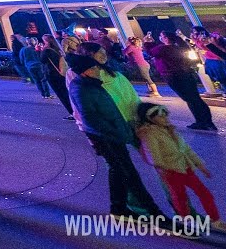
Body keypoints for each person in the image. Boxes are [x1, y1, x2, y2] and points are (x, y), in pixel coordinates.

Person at [66, 53, 162, 217]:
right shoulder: (83, 89)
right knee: (127, 173)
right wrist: (116, 133)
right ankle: (151, 211)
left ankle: (118, 208)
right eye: (94, 68)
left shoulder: (90, 84)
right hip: (106, 138)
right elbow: (90, 119)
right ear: (85, 71)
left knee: (120, 171)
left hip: (110, 135)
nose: (98, 70)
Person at [135, 102, 222, 230]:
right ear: (150, 119)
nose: (165, 118)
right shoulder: (149, 134)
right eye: (161, 116)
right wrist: (164, 168)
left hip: (186, 168)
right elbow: (153, 156)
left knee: (204, 193)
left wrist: (200, 165)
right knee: (180, 197)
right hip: (171, 171)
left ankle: (215, 220)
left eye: (166, 115)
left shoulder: (170, 129)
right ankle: (185, 220)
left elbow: (186, 149)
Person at [147, 31, 217, 131]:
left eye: (161, 36)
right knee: (195, 98)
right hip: (187, 74)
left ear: (166, 38)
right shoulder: (180, 47)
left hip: (174, 76)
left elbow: (151, 52)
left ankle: (202, 122)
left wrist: (148, 42)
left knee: (190, 99)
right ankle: (206, 121)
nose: (160, 38)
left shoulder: (164, 49)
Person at [40, 35, 73, 119]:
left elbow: (42, 60)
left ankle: (72, 112)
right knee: (66, 92)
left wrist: (41, 50)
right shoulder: (57, 49)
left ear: (46, 41)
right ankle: (75, 110)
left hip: (53, 74)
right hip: (62, 72)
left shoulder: (47, 51)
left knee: (61, 94)